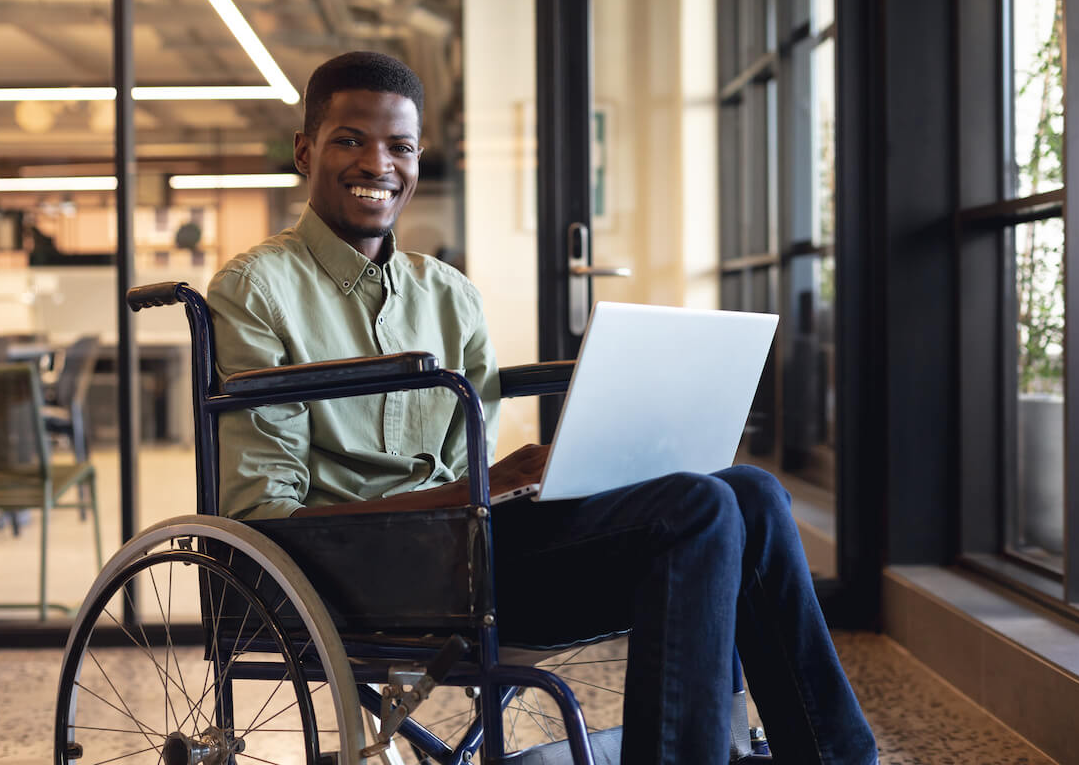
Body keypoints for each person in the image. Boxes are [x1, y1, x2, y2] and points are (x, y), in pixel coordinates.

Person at [208, 51, 877, 765]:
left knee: (749, 492)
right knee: (699, 510)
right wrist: (477, 490)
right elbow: (263, 515)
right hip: (354, 572)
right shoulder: (254, 291)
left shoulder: (448, 294)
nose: (378, 164)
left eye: (399, 146)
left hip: (471, 552)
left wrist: (523, 482)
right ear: (305, 150)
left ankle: (835, 760)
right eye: (350, 139)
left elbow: (471, 474)